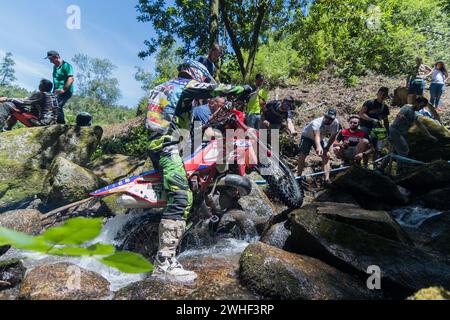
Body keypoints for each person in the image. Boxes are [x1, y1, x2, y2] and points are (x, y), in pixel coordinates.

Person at [145, 59, 250, 282]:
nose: (202, 85)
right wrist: (243, 89)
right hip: (167, 147)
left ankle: (191, 234)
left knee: (193, 191)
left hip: (166, 145)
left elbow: (185, 124)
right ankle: (164, 263)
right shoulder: (183, 85)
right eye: (202, 79)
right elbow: (215, 89)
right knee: (181, 197)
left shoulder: (162, 88)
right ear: (196, 74)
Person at [381, 97, 438, 174]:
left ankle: (381, 168)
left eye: (423, 107)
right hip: (395, 132)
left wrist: (429, 136)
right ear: (416, 103)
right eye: (421, 106)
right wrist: (400, 116)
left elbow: (420, 125)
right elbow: (400, 113)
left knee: (392, 152)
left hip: (397, 133)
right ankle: (400, 170)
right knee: (404, 150)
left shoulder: (414, 114)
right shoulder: (407, 109)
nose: (421, 108)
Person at [297, 109, 340, 184]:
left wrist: (326, 148)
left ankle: (326, 179)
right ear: (324, 115)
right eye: (326, 117)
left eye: (330, 119)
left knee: (326, 155)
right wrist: (319, 146)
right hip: (307, 136)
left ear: (333, 119)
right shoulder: (317, 122)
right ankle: (298, 176)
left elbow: (333, 136)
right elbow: (316, 135)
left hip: (321, 138)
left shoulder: (335, 123)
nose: (327, 120)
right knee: (303, 155)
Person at [45, 50, 75, 124]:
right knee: (52, 106)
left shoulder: (66, 66)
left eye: (51, 59)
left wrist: (64, 90)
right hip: (56, 91)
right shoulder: (55, 67)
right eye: (49, 60)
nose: (50, 61)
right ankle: (58, 124)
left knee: (57, 106)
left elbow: (71, 79)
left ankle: (61, 125)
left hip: (66, 92)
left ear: (57, 57)